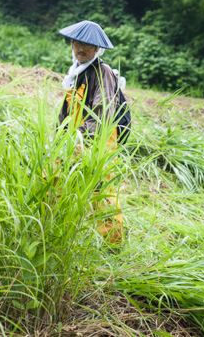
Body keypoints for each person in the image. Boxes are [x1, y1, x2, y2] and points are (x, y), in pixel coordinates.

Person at [57, 20, 124, 244]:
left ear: (97, 48)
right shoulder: (76, 72)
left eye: (87, 44)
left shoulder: (102, 72)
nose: (80, 48)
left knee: (101, 192)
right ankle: (60, 235)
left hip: (98, 142)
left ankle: (111, 245)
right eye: (77, 42)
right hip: (74, 140)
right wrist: (60, 136)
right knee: (58, 181)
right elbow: (67, 111)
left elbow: (102, 114)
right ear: (71, 42)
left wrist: (80, 141)